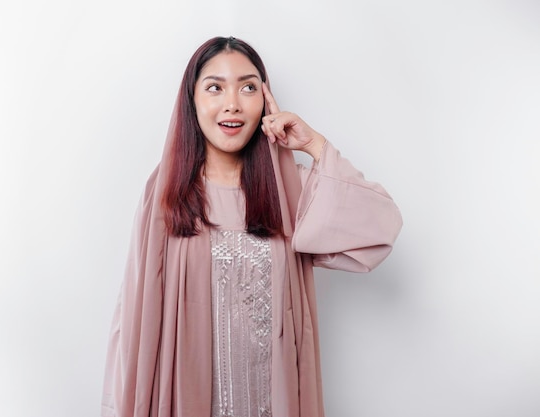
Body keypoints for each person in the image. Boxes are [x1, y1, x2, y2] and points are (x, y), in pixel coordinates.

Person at [101, 36, 402, 417]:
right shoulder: (165, 193)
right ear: (191, 103)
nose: (233, 103)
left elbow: (380, 225)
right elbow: (134, 312)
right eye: (215, 88)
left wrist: (314, 145)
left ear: (265, 100)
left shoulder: (290, 188)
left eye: (248, 87)